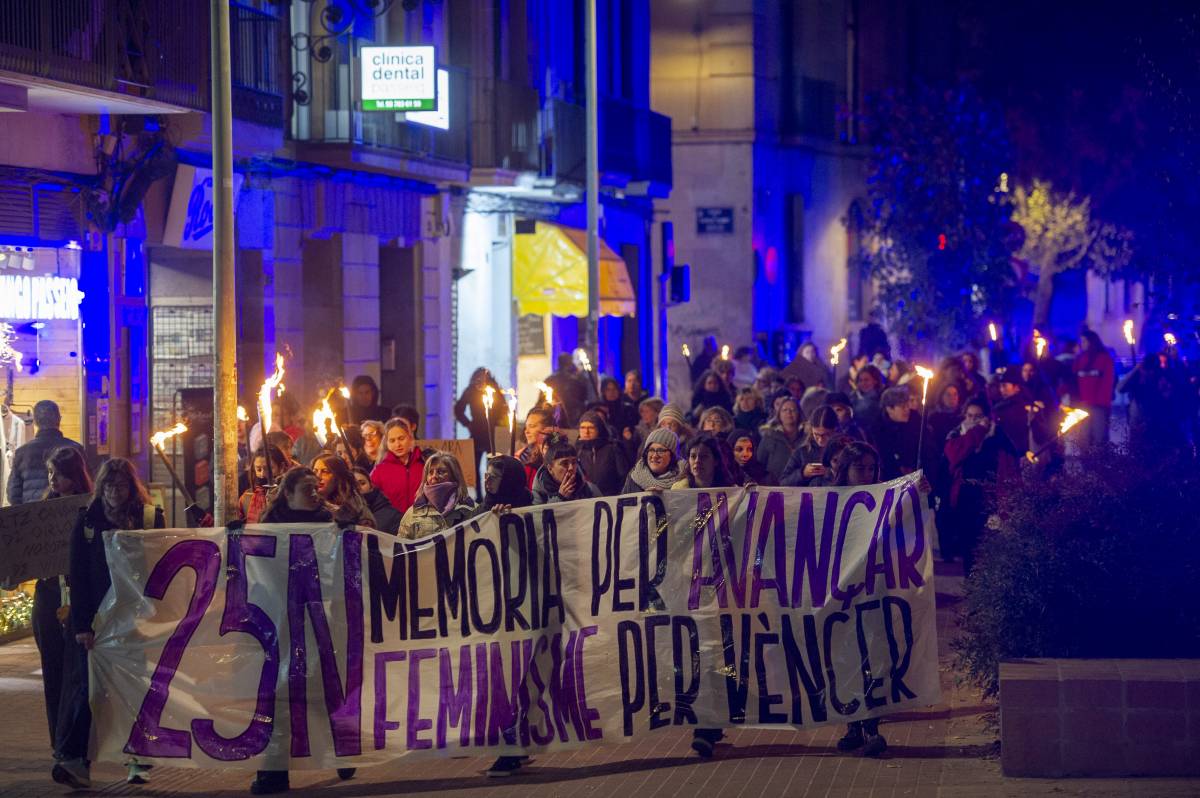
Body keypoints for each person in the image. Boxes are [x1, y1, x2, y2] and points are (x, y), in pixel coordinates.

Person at [57, 458, 164, 789]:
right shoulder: (88, 521)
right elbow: (79, 575)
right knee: (90, 691)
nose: (115, 493)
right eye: (109, 486)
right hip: (99, 621)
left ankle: (138, 758)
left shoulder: (148, 518)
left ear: (132, 489)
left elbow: (163, 562)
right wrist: (81, 625)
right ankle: (77, 761)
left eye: (121, 487)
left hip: (135, 618)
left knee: (135, 690)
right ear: (100, 488)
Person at [253, 468, 354, 794]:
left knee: (326, 689)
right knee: (280, 696)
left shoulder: (331, 523)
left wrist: (350, 529)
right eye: (307, 489)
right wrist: (239, 537)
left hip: (322, 623)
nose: (315, 494)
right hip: (282, 625)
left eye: (316, 488)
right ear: (288, 493)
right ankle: (274, 771)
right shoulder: (270, 527)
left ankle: (344, 748)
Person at [828, 440, 889, 757]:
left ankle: (872, 727)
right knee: (845, 658)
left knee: (872, 658)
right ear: (844, 470)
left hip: (873, 590)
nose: (866, 474)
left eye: (870, 468)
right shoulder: (828, 500)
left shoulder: (886, 497)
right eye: (859, 468)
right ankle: (853, 725)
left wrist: (918, 494)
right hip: (839, 595)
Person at [31, 447, 91, 760]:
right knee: (53, 671)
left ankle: (75, 742)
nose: (54, 480)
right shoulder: (43, 510)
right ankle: (58, 742)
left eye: (61, 474)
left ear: (75, 475)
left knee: (78, 674)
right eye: (51, 473)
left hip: (78, 599)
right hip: (48, 595)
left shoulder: (89, 509)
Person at [943, 399, 1020, 574]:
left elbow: (1010, 467)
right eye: (969, 416)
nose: (972, 420)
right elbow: (955, 454)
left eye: (978, 417)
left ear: (986, 417)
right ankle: (972, 586)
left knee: (987, 547)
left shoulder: (998, 437)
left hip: (989, 498)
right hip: (964, 498)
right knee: (968, 546)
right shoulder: (956, 434)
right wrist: (978, 431)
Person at [7, 400, 83, 506]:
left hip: (32, 515)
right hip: (68, 513)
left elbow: (13, 494)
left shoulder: (22, 452)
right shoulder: (75, 448)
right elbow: (86, 486)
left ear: (35, 421)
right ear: (59, 419)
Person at [454, 368, 509, 493]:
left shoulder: (494, 390)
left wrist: (501, 425)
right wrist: (468, 423)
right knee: (474, 468)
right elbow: (458, 408)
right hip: (477, 432)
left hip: (493, 434)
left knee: (493, 466)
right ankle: (478, 495)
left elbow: (504, 408)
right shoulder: (471, 390)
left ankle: (492, 492)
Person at [397, 453, 477, 539]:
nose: (434, 476)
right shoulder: (413, 514)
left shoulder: (471, 510)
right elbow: (401, 549)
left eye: (441, 472)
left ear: (454, 476)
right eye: (430, 472)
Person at [371, 418, 425, 515]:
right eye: (392, 440)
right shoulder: (379, 471)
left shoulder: (424, 463)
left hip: (423, 522)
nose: (397, 444)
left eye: (401, 438)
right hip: (391, 527)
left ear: (410, 437)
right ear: (386, 443)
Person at [1073, 329, 1115, 447]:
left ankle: (1099, 464)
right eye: (1081, 342)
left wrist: (1100, 402)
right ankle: (1086, 464)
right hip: (1082, 405)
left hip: (1099, 406)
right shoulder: (1079, 359)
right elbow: (1074, 380)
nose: (1082, 344)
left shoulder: (1104, 359)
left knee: (1099, 437)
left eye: (1085, 341)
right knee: (1083, 439)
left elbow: (1107, 383)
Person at [575, 411, 631, 496]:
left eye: (591, 428)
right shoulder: (576, 451)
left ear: (599, 429)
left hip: (610, 499)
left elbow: (623, 477)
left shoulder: (612, 448)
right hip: (583, 501)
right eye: (582, 428)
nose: (586, 432)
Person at [311, 453, 376, 527]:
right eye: (315, 471)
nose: (318, 476)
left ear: (338, 476)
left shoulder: (356, 507)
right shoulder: (306, 504)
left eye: (325, 471)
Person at [779, 406, 839, 486]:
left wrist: (830, 472)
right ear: (811, 430)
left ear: (835, 430)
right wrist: (803, 473)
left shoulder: (844, 451)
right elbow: (783, 482)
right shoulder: (802, 452)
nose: (820, 440)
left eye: (826, 435)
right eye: (816, 434)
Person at [531, 438, 601, 503]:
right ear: (550, 468)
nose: (571, 468)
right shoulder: (539, 494)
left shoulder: (590, 489)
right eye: (564, 463)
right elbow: (538, 515)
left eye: (574, 462)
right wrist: (560, 498)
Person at [873, 386, 919, 481]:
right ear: (889, 409)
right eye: (902, 407)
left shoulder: (916, 421)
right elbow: (884, 458)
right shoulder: (878, 429)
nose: (907, 410)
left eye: (907, 405)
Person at [756, 396, 803, 481]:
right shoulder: (769, 436)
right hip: (773, 486)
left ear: (799, 413)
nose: (789, 413)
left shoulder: (807, 437)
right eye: (784, 410)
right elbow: (759, 464)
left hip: (800, 487)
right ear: (779, 414)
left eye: (792, 410)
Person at [622, 429, 684, 493]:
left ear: (672, 455)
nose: (654, 456)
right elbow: (623, 502)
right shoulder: (635, 476)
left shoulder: (684, 477)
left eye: (660, 450)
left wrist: (664, 497)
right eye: (651, 450)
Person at [238, 446, 290, 523]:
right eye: (258, 469)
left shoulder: (291, 495)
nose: (262, 474)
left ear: (281, 467)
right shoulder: (247, 497)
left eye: (269, 469)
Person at [544, 353, 590, 427]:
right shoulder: (577, 380)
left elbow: (584, 398)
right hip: (563, 415)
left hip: (571, 416)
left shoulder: (550, 380)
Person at [353, 467, 401, 534]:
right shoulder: (344, 518)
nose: (358, 488)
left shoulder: (392, 515)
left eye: (362, 483)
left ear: (371, 486)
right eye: (352, 485)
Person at [516, 407, 555, 488]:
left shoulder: (559, 454)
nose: (526, 431)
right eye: (526, 427)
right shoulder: (522, 455)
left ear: (547, 428)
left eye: (532, 426)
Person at [851, 365, 885, 432]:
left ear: (875, 381)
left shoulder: (883, 398)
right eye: (860, 380)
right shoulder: (853, 398)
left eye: (866, 380)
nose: (863, 383)